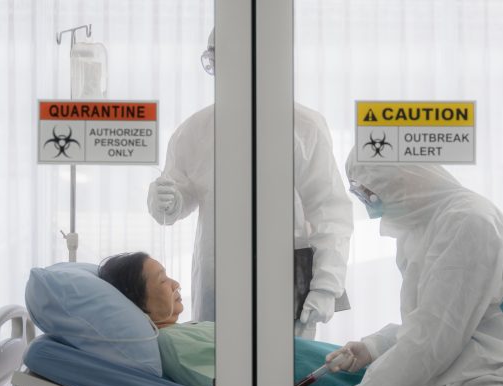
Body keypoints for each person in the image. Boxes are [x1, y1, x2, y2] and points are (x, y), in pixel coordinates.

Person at [294, 149, 503, 386]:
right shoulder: (419, 227)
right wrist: (371, 346)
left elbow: (433, 340)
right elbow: (431, 321)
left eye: (370, 191)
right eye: (360, 193)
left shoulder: (469, 222)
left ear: (407, 174)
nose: (369, 204)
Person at [147, 30, 353, 337]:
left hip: (285, 274)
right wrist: (168, 200)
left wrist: (326, 285)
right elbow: (181, 193)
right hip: (218, 276)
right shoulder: (195, 130)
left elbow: (329, 211)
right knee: (217, 367)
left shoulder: (303, 126)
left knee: (283, 373)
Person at [97, 251, 364, 386]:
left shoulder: (181, 331)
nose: (176, 283)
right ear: (138, 300)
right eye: (163, 280)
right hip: (320, 381)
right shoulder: (171, 342)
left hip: (322, 365)